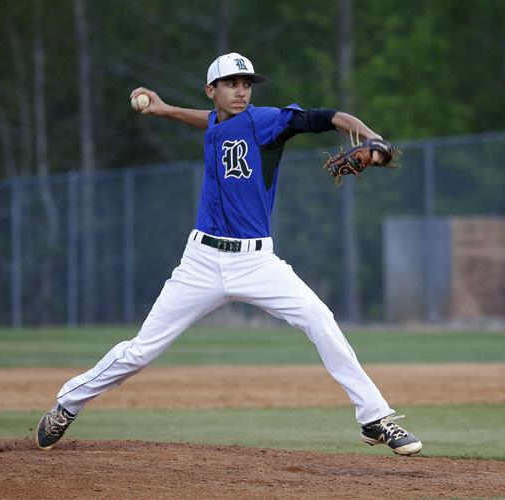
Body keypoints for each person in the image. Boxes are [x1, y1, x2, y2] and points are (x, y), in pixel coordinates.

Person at [36, 52, 421, 455]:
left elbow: (327, 117)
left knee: (319, 319)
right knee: (141, 350)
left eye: (247, 83)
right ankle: (67, 405)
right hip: (200, 262)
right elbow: (208, 121)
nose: (242, 91)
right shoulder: (218, 124)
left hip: (256, 262)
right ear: (212, 91)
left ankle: (375, 418)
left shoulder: (264, 121)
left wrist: (371, 137)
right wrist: (165, 110)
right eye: (232, 83)